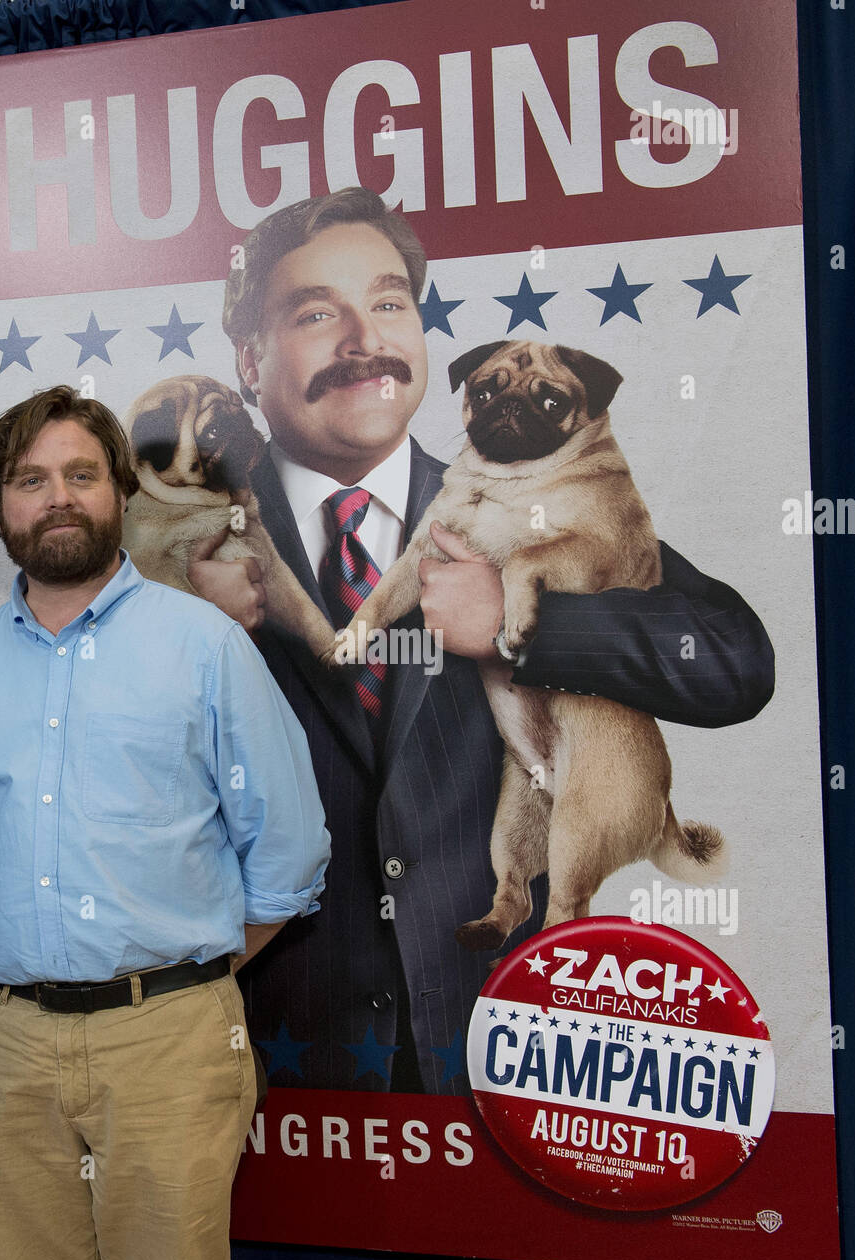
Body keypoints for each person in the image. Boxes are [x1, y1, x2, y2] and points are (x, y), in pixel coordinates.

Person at [186, 186, 774, 1096]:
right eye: (314, 312)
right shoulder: (188, 541)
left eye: (387, 304)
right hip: (266, 1068)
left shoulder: (528, 495)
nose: (362, 340)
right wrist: (178, 626)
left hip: (503, 1048)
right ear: (248, 359)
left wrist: (516, 616)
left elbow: (734, 659)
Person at [0, 386, 330, 1260]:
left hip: (167, 1042)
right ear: (0, 504)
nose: (57, 497)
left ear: (121, 492)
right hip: (6, 1047)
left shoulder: (205, 645)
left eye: (82, 473)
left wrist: (186, 979)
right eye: (30, 480)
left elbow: (292, 848)